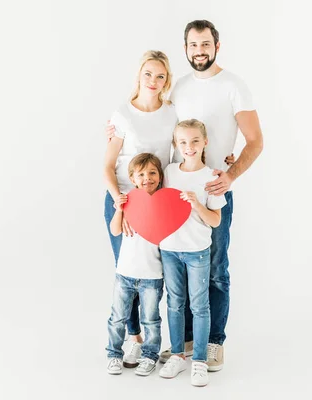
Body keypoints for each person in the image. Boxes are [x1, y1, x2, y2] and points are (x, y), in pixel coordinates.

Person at [107, 20, 264, 372]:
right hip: (173, 195)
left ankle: (213, 344)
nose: (200, 51)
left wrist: (231, 173)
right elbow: (154, 118)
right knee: (174, 270)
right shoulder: (177, 87)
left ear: (217, 46)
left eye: (205, 44)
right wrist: (117, 126)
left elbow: (255, 141)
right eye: (193, 45)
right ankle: (183, 346)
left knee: (215, 269)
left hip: (211, 192)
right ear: (186, 49)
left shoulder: (234, 86)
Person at [103, 50, 177, 365]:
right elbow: (107, 165)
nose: (153, 81)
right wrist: (121, 201)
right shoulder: (122, 113)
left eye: (160, 76)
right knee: (127, 271)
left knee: (153, 272)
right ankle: (134, 339)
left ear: (166, 81)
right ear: (139, 76)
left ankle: (158, 341)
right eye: (148, 74)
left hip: (157, 205)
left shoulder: (172, 112)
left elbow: (182, 150)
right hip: (124, 201)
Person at [157, 119, 226, 387]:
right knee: (174, 303)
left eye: (195, 141)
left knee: (199, 305)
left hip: (197, 251)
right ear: (176, 144)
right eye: (183, 142)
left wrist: (197, 203)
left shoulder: (211, 177)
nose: (189, 147)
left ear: (205, 142)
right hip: (170, 250)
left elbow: (216, 221)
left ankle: (198, 360)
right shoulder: (169, 171)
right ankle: (177, 354)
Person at [106, 153, 165, 377]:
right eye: (140, 174)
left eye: (152, 173)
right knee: (117, 318)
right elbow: (115, 230)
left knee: (151, 319)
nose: (147, 178)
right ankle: (114, 354)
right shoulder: (128, 200)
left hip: (152, 275)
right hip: (125, 274)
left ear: (160, 177)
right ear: (132, 178)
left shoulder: (162, 203)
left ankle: (150, 356)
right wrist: (120, 209)